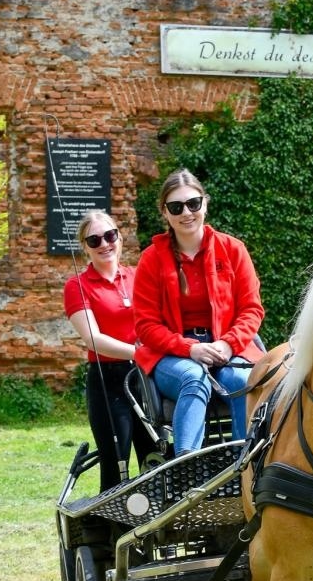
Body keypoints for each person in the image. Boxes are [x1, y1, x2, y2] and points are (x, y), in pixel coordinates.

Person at [132, 169, 265, 455]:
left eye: (193, 203)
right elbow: (145, 325)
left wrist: (228, 345)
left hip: (227, 347)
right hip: (172, 354)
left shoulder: (233, 250)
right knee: (194, 376)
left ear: (205, 203)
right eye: (176, 207)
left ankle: (242, 466)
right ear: (164, 213)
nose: (186, 213)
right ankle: (186, 467)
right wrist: (189, 349)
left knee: (241, 382)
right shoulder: (151, 260)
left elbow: (251, 309)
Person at [63, 210, 154, 491]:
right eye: (94, 240)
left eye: (110, 235)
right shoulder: (77, 285)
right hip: (109, 380)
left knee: (157, 458)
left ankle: (156, 528)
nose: (104, 244)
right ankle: (112, 531)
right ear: (84, 247)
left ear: (120, 237)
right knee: (117, 464)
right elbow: (93, 338)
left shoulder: (139, 276)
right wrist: (137, 352)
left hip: (147, 377)